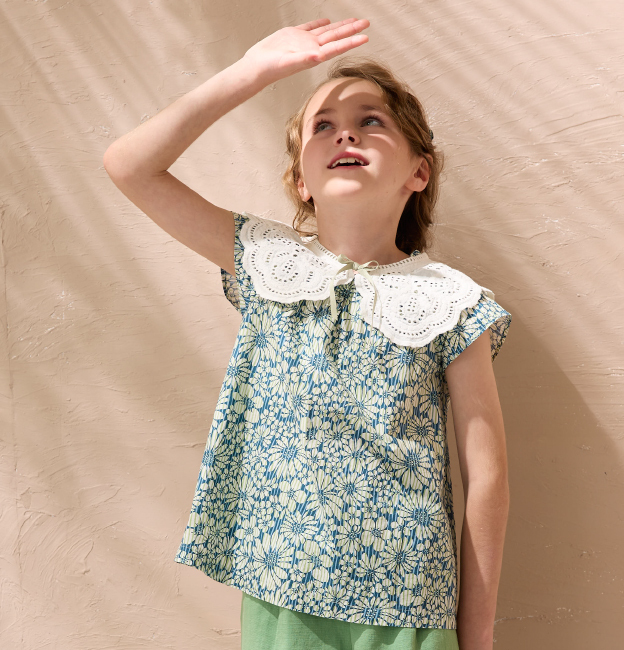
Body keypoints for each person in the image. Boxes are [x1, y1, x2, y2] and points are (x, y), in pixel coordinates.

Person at [103, 17, 512, 650]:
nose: (345, 132)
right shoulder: (266, 261)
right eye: (323, 126)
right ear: (301, 180)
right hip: (281, 592)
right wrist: (252, 72)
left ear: (419, 172)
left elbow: (487, 478)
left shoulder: (451, 301)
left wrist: (476, 635)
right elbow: (129, 166)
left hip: (408, 603)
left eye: (371, 121)